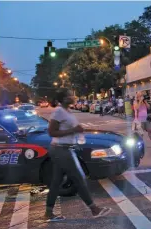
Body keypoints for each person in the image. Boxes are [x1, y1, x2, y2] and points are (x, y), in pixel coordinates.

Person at [46, 88, 111, 221]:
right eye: (70, 95)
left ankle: (48, 212)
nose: (73, 96)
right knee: (79, 178)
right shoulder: (58, 111)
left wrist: (80, 130)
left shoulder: (67, 111)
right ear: (64, 99)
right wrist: (73, 130)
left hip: (63, 149)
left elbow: (70, 129)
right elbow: (52, 132)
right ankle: (94, 209)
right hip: (61, 150)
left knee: (56, 182)